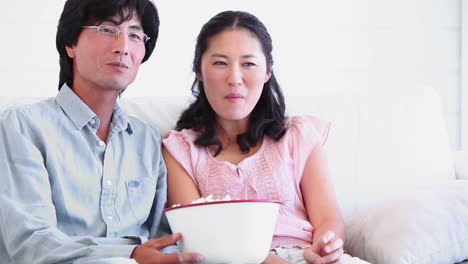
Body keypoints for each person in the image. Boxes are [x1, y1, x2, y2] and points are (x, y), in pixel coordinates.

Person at [0, 0, 204, 263]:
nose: (123, 48)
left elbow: (165, 239)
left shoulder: (149, 141)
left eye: (134, 35)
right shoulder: (23, 127)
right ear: (70, 44)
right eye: (107, 30)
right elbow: (30, 244)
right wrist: (129, 254)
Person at [162, 11, 369, 264]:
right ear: (199, 71)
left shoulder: (298, 135)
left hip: (306, 256)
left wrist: (326, 246)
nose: (235, 79)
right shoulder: (179, 150)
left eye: (248, 63)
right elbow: (198, 239)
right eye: (220, 63)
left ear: (268, 70)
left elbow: (328, 219)